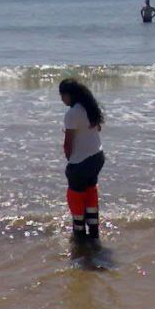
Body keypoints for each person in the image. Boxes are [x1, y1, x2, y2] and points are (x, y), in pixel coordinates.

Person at [59, 78, 105, 245]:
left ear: (69, 95)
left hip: (81, 161)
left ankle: (79, 235)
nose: (61, 99)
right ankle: (93, 231)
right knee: (90, 191)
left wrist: (69, 158)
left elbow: (68, 141)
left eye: (62, 95)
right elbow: (96, 129)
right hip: (97, 156)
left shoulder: (72, 113)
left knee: (76, 196)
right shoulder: (90, 107)